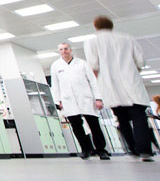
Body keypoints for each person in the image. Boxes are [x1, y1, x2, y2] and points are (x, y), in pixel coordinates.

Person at [83, 16, 152, 162]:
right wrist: (134, 71)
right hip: (131, 83)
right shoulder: (127, 38)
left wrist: (101, 82)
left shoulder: (91, 42)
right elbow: (140, 61)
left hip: (111, 87)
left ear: (95, 27)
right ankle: (145, 151)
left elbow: (93, 65)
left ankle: (133, 149)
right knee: (139, 118)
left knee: (122, 119)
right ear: (111, 26)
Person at [49, 42, 109, 160]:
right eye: (61, 49)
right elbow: (55, 85)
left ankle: (101, 150)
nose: (64, 51)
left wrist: (98, 98)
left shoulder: (82, 64)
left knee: (94, 126)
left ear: (70, 50)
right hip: (68, 101)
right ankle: (86, 149)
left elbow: (93, 82)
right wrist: (58, 101)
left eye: (66, 49)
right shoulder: (56, 66)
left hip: (86, 99)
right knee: (77, 127)